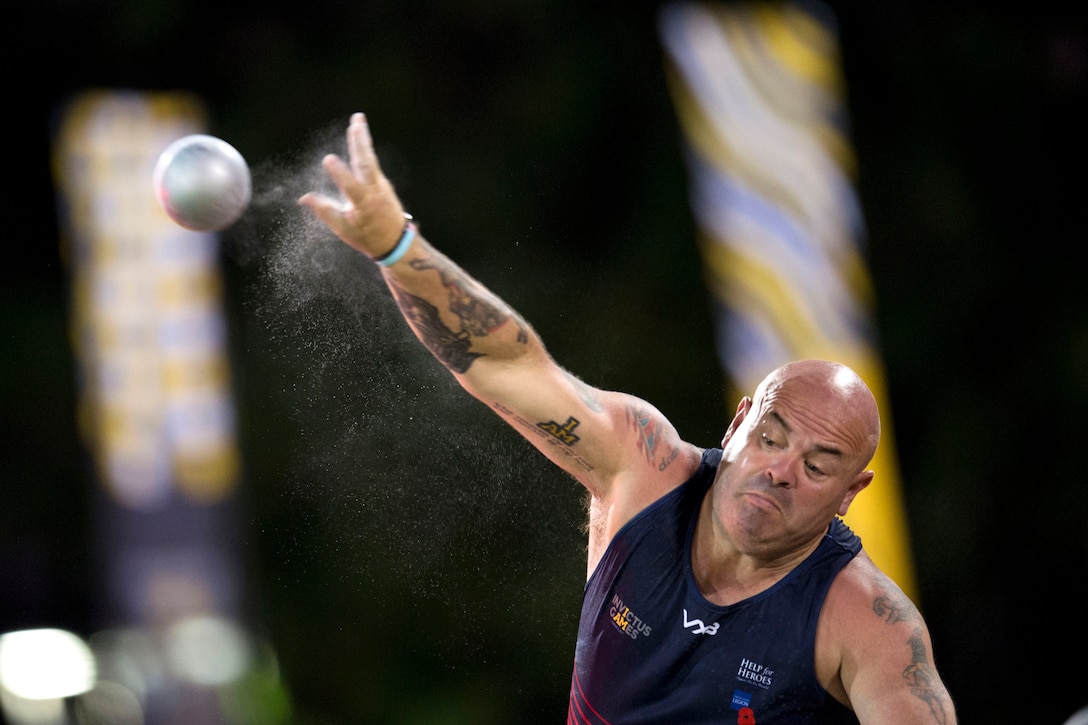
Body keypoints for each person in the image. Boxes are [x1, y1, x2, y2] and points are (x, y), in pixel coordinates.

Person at [299, 113, 957, 725]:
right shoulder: (641, 469)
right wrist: (395, 246)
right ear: (736, 427)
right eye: (771, 437)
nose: (781, 469)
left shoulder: (866, 621)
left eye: (817, 466)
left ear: (850, 493)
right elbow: (510, 366)